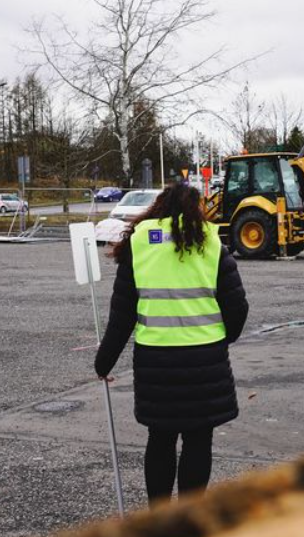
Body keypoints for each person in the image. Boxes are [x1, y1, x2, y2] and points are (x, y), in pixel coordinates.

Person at [94, 183, 248, 506]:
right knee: (198, 440)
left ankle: (159, 517)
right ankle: (188, 518)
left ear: (159, 207)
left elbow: (121, 315)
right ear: (196, 209)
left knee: (160, 439)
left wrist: (103, 363)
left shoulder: (140, 243)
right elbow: (237, 308)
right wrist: (222, 339)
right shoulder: (210, 243)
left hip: (156, 364)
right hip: (205, 363)